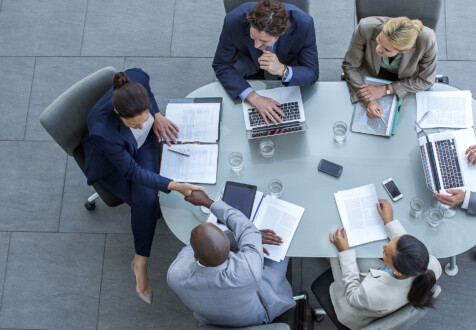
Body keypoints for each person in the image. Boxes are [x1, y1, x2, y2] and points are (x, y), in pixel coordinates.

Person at [82, 68, 203, 304]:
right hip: (114, 163)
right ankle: (141, 262)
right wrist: (175, 186)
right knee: (147, 202)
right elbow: (131, 171)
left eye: (143, 119)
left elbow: (147, 92)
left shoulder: (136, 79)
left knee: (150, 202)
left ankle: (140, 255)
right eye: (134, 124)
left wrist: (155, 115)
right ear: (118, 112)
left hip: (143, 145)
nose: (140, 126)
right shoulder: (102, 131)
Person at [167, 190, 295, 327]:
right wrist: (207, 201)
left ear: (196, 256)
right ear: (229, 247)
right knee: (284, 249)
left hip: (210, 320)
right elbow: (247, 229)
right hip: (256, 318)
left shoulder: (174, 275)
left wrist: (242, 240)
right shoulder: (248, 270)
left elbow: (190, 248)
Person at [317, 199, 442, 330]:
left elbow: (352, 295)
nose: (384, 245)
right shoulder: (431, 265)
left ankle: (331, 260)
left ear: (398, 272)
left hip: (355, 304)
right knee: (358, 250)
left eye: (387, 252)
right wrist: (389, 221)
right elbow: (405, 247)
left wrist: (344, 252)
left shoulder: (370, 292)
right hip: (382, 281)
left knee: (329, 240)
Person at [212, 0, 319, 126]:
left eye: (264, 42)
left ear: (282, 32)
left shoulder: (304, 24)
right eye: (253, 36)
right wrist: (252, 97)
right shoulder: (233, 21)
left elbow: (312, 73)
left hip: (287, 78)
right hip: (248, 72)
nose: (257, 45)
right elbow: (221, 64)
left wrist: (282, 70)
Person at [342, 16, 437, 119]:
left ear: (405, 50)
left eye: (386, 50)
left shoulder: (427, 40)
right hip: (372, 75)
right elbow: (350, 65)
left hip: (406, 82)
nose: (378, 49)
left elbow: (426, 80)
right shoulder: (365, 27)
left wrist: (386, 89)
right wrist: (369, 100)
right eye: (378, 40)